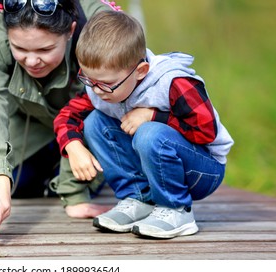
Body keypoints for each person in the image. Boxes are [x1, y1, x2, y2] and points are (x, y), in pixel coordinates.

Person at [53, 10, 234, 238]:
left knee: (149, 133)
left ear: (140, 72)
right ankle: (138, 198)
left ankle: (176, 209)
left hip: (202, 170)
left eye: (106, 84)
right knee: (95, 122)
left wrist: (153, 116)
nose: (97, 90)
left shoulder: (173, 83)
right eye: (89, 79)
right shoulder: (102, 85)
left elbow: (206, 132)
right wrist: (73, 146)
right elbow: (66, 116)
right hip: (153, 165)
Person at [0, 0, 123, 234]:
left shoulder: (102, 27)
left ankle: (77, 173)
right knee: (16, 183)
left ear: (70, 30)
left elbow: (104, 103)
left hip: (91, 123)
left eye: (44, 50)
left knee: (90, 171)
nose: (31, 61)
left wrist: (74, 193)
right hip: (31, 122)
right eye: (19, 48)